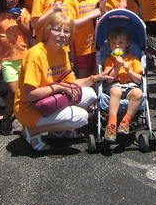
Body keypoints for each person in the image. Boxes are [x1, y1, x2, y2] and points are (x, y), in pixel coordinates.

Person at [14, 12, 111, 152]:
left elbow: (71, 83)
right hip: (30, 108)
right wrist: (59, 87)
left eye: (66, 31)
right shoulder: (36, 54)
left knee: (90, 93)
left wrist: (95, 78)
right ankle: (32, 131)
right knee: (81, 117)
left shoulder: (62, 52)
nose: (62, 34)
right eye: (57, 29)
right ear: (47, 33)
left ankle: (56, 132)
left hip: (50, 101)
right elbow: (31, 94)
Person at [0, 0, 31, 135]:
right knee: (13, 91)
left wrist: (19, 21)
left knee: (25, 91)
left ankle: (22, 118)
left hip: (24, 57)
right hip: (7, 60)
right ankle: (7, 117)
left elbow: (29, 33)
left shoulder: (23, 13)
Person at [102, 25, 144, 142]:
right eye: (113, 43)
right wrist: (117, 66)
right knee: (117, 90)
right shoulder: (109, 60)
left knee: (137, 93)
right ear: (109, 46)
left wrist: (128, 70)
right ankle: (112, 124)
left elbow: (140, 80)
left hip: (130, 85)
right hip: (114, 85)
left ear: (127, 44)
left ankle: (126, 122)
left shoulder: (133, 59)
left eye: (120, 43)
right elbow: (109, 80)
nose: (117, 46)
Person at [65, 0, 108, 78]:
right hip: (81, 48)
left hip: (97, 46)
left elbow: (104, 21)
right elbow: (71, 24)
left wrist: (103, 7)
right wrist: (91, 15)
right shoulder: (71, 1)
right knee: (85, 77)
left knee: (98, 75)